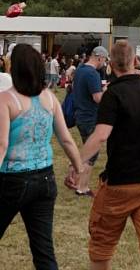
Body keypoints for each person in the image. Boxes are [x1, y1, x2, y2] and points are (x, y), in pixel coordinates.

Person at [66, 40, 140, 269]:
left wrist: (76, 163)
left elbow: (101, 135)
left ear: (110, 65)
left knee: (101, 246)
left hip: (119, 182)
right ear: (135, 61)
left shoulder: (113, 94)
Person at [0, 44, 84, 270]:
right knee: (43, 250)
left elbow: (1, 144)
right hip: (45, 180)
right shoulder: (49, 98)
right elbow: (66, 139)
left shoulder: (6, 100)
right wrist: (78, 168)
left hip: (12, 179)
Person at [72, 45, 109, 196]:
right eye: (104, 60)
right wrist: (106, 91)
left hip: (80, 114)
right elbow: (97, 98)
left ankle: (77, 181)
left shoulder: (80, 70)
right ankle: (82, 187)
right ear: (99, 57)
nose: (104, 63)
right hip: (90, 117)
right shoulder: (92, 74)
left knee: (86, 149)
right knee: (91, 153)